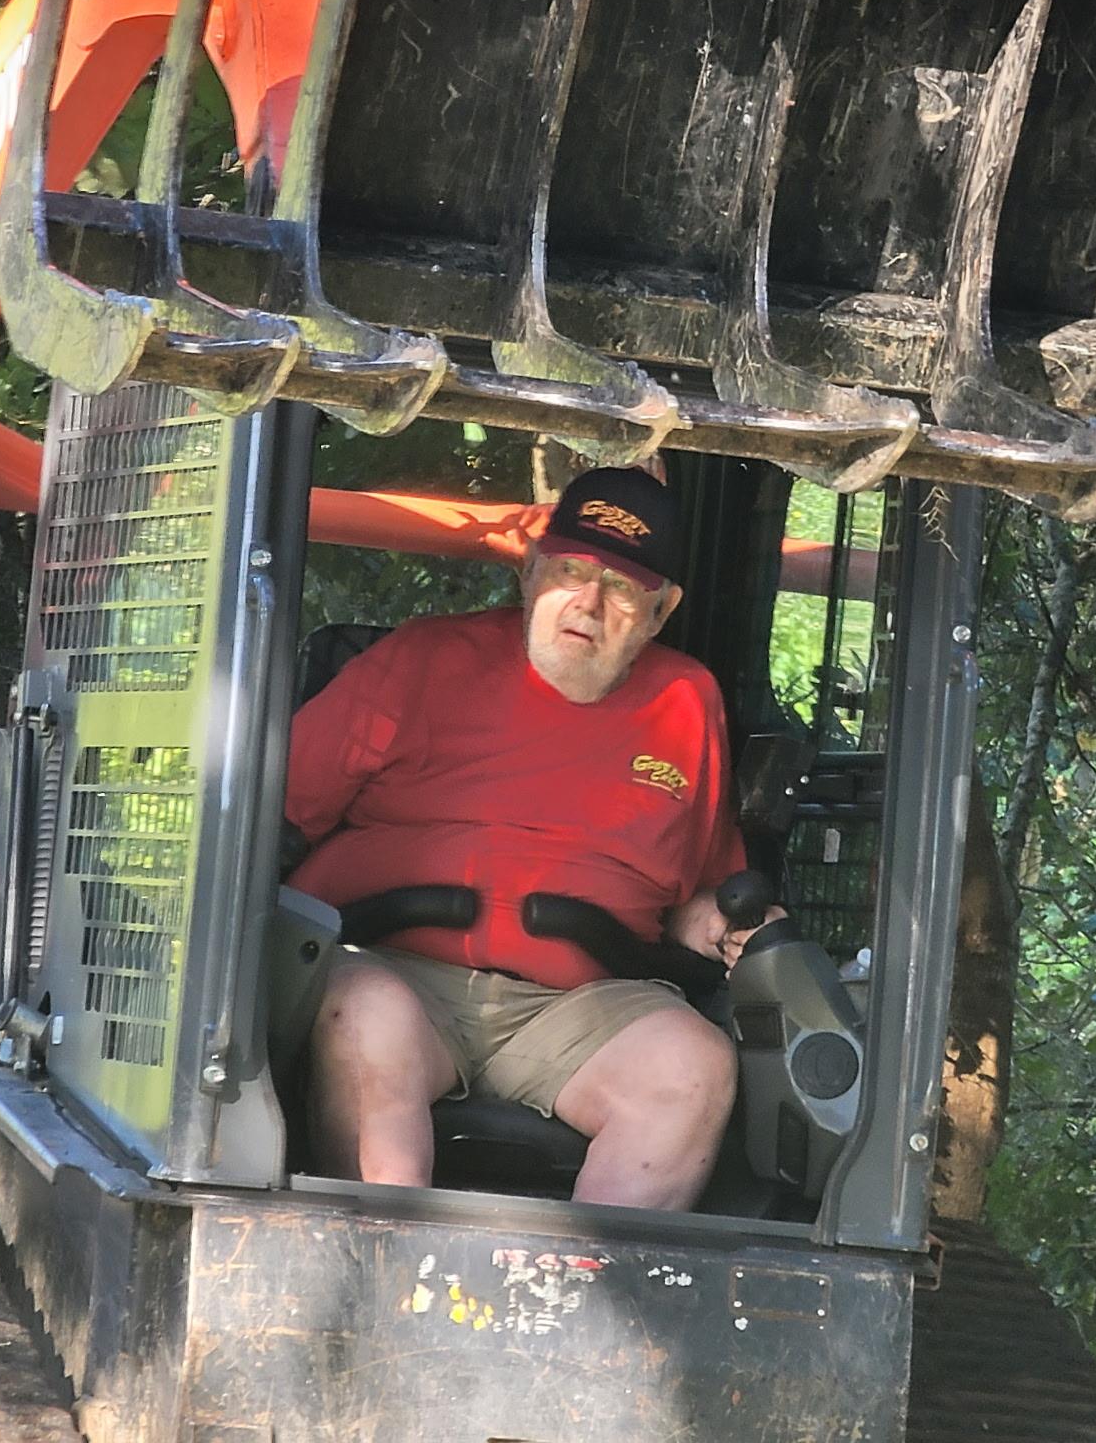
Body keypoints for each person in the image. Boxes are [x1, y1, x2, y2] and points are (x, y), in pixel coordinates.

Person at [284, 465, 774, 1211]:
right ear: (531, 570)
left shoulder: (687, 701)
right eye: (571, 570)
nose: (587, 602)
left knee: (694, 1063)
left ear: (660, 609)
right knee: (366, 1018)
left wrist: (733, 931)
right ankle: (382, 1266)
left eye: (620, 586)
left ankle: (586, 1299)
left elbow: (694, 889)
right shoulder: (421, 659)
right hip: (397, 970)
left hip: (583, 1006)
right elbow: (273, 814)